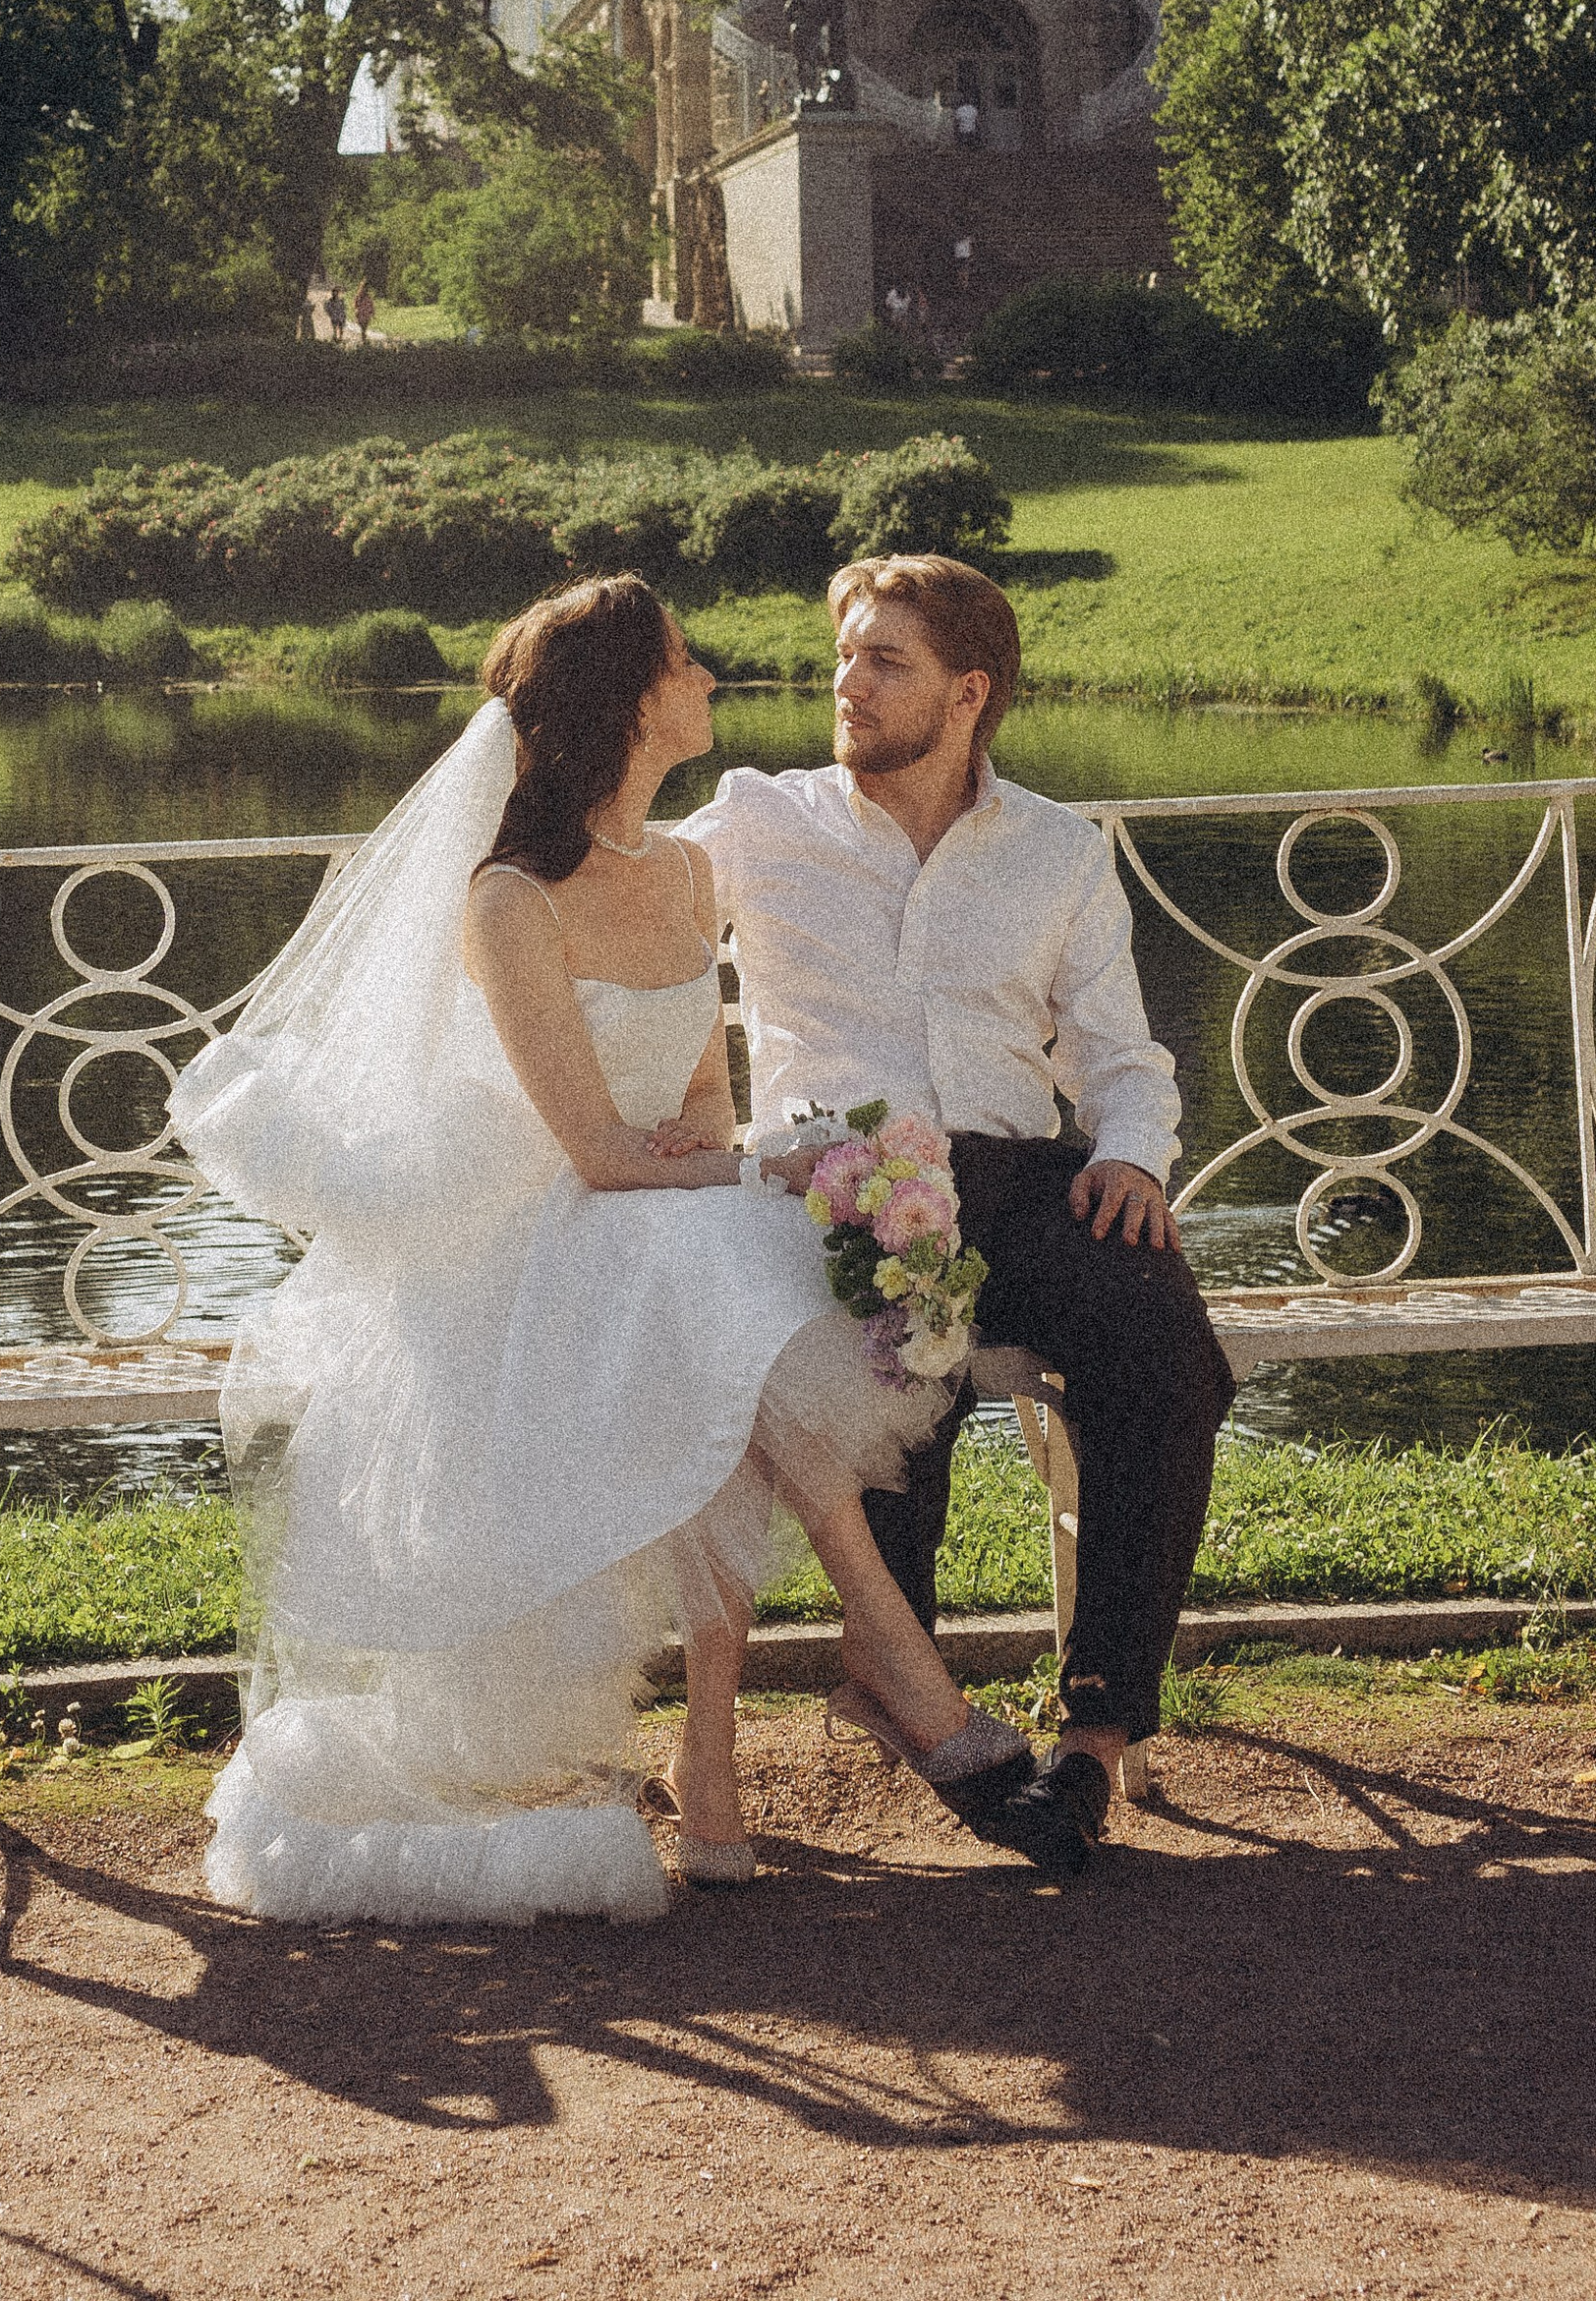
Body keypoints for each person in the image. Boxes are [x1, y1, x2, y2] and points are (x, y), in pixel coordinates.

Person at [168, 575, 1088, 1925]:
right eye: (686, 663)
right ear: (631, 705)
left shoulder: (690, 872)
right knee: (712, 1281)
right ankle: (885, 1668)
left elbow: (701, 1103)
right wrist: (764, 1167)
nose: (713, 677)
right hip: (517, 1236)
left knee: (719, 1283)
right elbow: (596, 1151)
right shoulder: (509, 900)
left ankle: (734, 1752)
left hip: (655, 1215)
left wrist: (737, 1163)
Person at [683, 554, 1236, 1834]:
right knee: (896, 1347)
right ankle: (902, 1672)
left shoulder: (1056, 849)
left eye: (886, 663)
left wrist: (1133, 1158)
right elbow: (621, 902)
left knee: (1165, 1350)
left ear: (967, 692)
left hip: (1023, 1175)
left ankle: (1095, 1731)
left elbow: (1119, 1055)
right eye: (846, 655)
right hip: (839, 1176)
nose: (847, 683)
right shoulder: (763, 819)